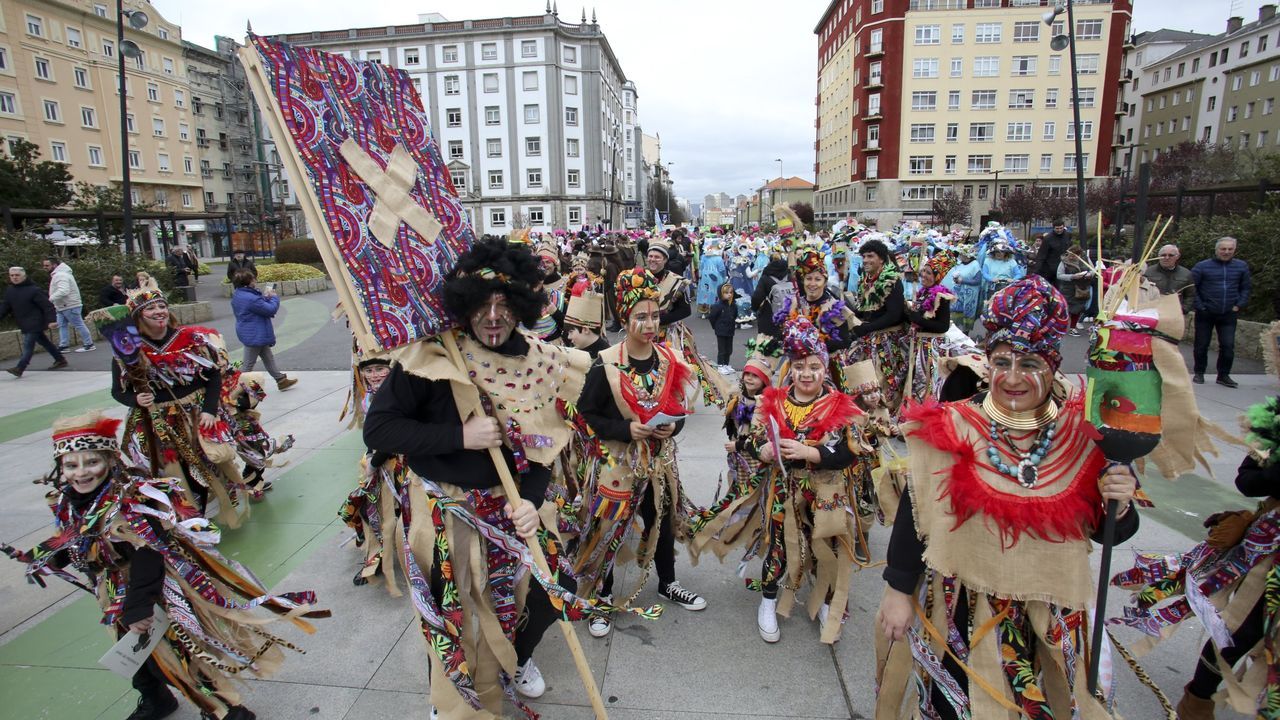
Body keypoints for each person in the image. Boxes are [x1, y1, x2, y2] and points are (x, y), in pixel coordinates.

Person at [876, 275, 1139, 720]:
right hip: (962, 610)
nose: (1013, 378)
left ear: (1053, 366)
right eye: (1002, 362)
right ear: (987, 362)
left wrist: (1123, 501)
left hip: (1050, 614)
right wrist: (898, 590)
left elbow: (1110, 533)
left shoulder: (1088, 433)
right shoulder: (952, 425)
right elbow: (915, 514)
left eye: (1031, 364)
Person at [363, 239, 605, 719]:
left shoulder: (540, 361)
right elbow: (380, 428)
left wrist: (532, 504)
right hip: (446, 507)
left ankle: (520, 657)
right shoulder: (432, 357)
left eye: (504, 303)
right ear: (464, 305)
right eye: (482, 303)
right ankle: (452, 694)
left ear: (521, 307)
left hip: (510, 505)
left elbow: (541, 450)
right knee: (453, 612)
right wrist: (461, 435)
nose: (492, 316)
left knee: (548, 587)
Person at [1, 411, 326, 720]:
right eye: (70, 464)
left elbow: (148, 553)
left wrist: (139, 605)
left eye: (91, 462)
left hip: (157, 591)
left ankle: (227, 709)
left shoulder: (131, 500)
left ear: (111, 461)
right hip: (114, 591)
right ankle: (156, 698)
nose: (80, 472)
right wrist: (48, 555)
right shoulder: (69, 499)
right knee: (134, 652)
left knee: (183, 650)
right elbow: (77, 536)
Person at [698, 319, 866, 644]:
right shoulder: (772, 401)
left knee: (826, 546)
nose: (806, 373)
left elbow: (850, 452)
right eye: (800, 366)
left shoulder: (839, 404)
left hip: (824, 491)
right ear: (790, 368)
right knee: (777, 543)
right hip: (781, 491)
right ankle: (768, 600)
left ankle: (827, 604)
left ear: (825, 369)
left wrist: (811, 452)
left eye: (814, 366)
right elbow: (749, 440)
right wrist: (762, 449)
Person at [1111, 396, 1279, 720]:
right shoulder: (1277, 418)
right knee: (1239, 629)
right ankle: (1197, 701)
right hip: (1270, 551)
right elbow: (1247, 480)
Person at [574, 267, 707, 640]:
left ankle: (668, 581)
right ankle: (601, 596)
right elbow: (586, 413)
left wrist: (673, 427)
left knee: (661, 520)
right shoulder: (607, 363)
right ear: (624, 317)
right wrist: (624, 429)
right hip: (617, 463)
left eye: (654, 315)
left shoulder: (668, 359)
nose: (650, 324)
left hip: (659, 462)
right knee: (608, 528)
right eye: (640, 317)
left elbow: (678, 406)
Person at [110, 288, 249, 528]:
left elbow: (213, 376)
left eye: (162, 306)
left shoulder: (191, 339)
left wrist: (209, 410)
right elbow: (117, 391)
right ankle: (191, 518)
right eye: (150, 309)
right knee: (174, 470)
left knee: (211, 462)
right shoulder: (128, 351)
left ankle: (215, 507)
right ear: (138, 316)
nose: (159, 312)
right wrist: (135, 400)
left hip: (195, 414)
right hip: (157, 420)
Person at [647, 237, 729, 407]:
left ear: (664, 260)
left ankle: (674, 399)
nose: (652, 260)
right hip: (644, 331)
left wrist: (659, 319)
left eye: (657, 257)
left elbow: (685, 310)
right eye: (650, 256)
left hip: (668, 334)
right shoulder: (639, 277)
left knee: (673, 367)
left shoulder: (676, 282)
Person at [848, 239, 907, 409]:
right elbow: (865, 308)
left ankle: (883, 415)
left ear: (881, 259)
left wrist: (867, 327)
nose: (865, 260)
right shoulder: (866, 279)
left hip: (888, 339)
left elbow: (894, 315)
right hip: (869, 336)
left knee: (882, 379)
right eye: (864, 256)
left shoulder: (892, 280)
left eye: (870, 256)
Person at [1191, 236, 1251, 388]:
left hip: (1228, 313)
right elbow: (1192, 288)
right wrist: (1201, 306)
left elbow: (1245, 288)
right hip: (1206, 313)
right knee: (1201, 344)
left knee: (1228, 345)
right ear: (1216, 249)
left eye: (1230, 249)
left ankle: (1223, 375)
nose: (1226, 252)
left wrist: (1239, 305)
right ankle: (1199, 372)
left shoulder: (1241, 266)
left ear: (1234, 250)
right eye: (1223, 249)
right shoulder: (1202, 266)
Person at [230, 270, 298, 391]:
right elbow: (270, 309)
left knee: (267, 357)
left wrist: (264, 298)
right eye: (253, 279)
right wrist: (274, 297)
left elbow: (258, 306)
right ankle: (237, 388)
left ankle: (280, 379)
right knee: (248, 365)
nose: (255, 281)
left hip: (249, 331)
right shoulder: (251, 298)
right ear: (249, 282)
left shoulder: (239, 294)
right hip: (256, 333)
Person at [905, 251, 957, 404]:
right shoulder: (922, 293)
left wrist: (918, 320)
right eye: (924, 272)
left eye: (929, 273)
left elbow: (943, 326)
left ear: (937, 277)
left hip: (930, 348)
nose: (924, 276)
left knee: (926, 383)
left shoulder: (941, 296)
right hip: (918, 344)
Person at [2, 266, 68, 377]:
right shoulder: (10, 291)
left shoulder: (34, 290)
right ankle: (60, 359)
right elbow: (4, 307)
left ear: (24, 276)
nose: (14, 277)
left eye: (17, 275)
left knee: (28, 345)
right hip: (24, 322)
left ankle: (20, 368)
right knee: (45, 342)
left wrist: (52, 320)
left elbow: (48, 306)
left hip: (35, 322)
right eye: (12, 275)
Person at [42, 256, 96, 353]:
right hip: (63, 306)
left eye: (47, 265)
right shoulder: (59, 274)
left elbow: (64, 290)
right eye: (44, 265)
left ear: (54, 265)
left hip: (69, 305)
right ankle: (64, 345)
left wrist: (50, 299)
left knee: (78, 324)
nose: (45, 267)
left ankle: (89, 344)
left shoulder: (60, 275)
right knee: (62, 325)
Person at [1143, 244, 1195, 315]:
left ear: (1177, 256)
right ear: (1158, 256)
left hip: (1176, 313)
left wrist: (1184, 309)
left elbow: (1190, 295)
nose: (1166, 258)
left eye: (1171, 255)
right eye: (1163, 255)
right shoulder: (1147, 272)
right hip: (1153, 313)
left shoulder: (1186, 274)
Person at [1056, 244, 1093, 336]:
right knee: (1065, 309)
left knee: (1077, 309)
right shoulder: (1064, 261)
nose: (1071, 257)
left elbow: (1093, 270)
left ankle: (1072, 328)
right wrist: (1072, 276)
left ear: (1079, 255)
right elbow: (1059, 275)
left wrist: (1089, 274)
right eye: (1070, 254)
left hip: (1081, 288)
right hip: (1067, 288)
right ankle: (1059, 326)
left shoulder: (1086, 259)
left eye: (1074, 255)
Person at [709, 282, 738, 374]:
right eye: (726, 293)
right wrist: (716, 327)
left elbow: (735, 315)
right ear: (721, 293)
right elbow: (712, 317)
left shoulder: (733, 305)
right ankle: (720, 365)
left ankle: (726, 364)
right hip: (721, 331)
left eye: (731, 292)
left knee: (729, 349)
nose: (729, 294)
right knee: (722, 349)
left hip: (730, 330)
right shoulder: (717, 306)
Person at [1030, 219, 1071, 284]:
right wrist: (1036, 270)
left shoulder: (1067, 235)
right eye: (1057, 228)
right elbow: (1041, 255)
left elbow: (1070, 249)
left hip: (1062, 267)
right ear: (1053, 228)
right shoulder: (1048, 239)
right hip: (1049, 268)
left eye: (1061, 228)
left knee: (1060, 288)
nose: (1059, 230)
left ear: (1063, 227)